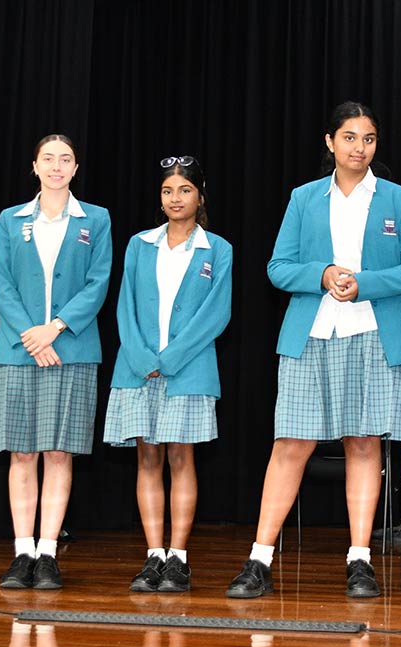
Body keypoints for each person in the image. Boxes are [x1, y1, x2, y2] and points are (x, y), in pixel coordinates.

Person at [225, 101, 401, 599]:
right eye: (349, 137)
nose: (359, 148)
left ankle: (360, 559)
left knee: (364, 443)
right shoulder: (304, 198)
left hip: (375, 334)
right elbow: (278, 267)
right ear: (330, 142)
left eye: (368, 139)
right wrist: (320, 275)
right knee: (290, 444)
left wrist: (364, 283)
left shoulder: (399, 199)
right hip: (312, 333)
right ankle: (259, 559)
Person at [0, 134, 112, 589]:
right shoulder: (9, 219)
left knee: (59, 453)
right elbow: (1, 283)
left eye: (65, 159)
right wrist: (32, 336)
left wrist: (55, 328)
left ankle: (47, 553)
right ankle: (22, 553)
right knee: (22, 452)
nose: (56, 166)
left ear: (76, 168)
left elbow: (98, 282)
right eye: (48, 159)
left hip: (71, 350)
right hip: (17, 350)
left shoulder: (95, 218)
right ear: (34, 166)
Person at [104, 156, 232, 593]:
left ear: (200, 196)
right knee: (147, 457)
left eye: (184, 190)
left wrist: (172, 357)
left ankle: (178, 557)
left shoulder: (218, 249)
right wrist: (142, 357)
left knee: (181, 457)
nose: (175, 198)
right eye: (167, 191)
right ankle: (152, 554)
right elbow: (125, 306)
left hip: (188, 370)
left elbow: (216, 313)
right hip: (137, 370)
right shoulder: (139, 244)